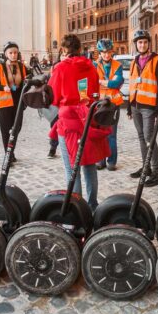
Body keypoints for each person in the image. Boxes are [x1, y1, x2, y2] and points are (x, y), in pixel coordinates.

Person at [49, 34, 109, 212]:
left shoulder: (60, 68)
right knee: (89, 166)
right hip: (86, 120)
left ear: (64, 49)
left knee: (71, 171)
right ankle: (92, 205)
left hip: (67, 124)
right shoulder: (90, 67)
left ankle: (78, 208)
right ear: (79, 49)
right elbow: (93, 93)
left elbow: (53, 97)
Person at [128, 29, 158, 187]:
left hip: (149, 107)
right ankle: (146, 168)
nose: (142, 44)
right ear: (136, 45)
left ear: (148, 43)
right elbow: (133, 84)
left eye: (145, 42)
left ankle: (157, 172)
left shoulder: (157, 60)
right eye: (139, 42)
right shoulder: (134, 61)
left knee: (149, 138)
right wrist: (130, 107)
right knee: (141, 137)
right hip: (136, 106)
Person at [0, 41, 28, 157]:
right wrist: (3, 87)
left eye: (15, 52)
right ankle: (9, 154)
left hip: (18, 102)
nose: (13, 55)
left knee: (16, 127)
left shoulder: (22, 67)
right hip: (4, 103)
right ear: (6, 54)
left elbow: (27, 81)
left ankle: (11, 150)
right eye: (10, 53)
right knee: (6, 130)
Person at [94, 38, 124, 171]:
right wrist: (107, 82)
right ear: (99, 53)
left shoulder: (118, 65)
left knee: (111, 134)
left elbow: (116, 83)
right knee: (100, 133)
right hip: (99, 105)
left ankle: (111, 161)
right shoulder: (94, 65)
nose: (106, 55)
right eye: (103, 52)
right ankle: (101, 161)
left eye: (108, 52)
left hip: (113, 104)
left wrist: (101, 82)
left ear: (112, 52)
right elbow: (92, 82)